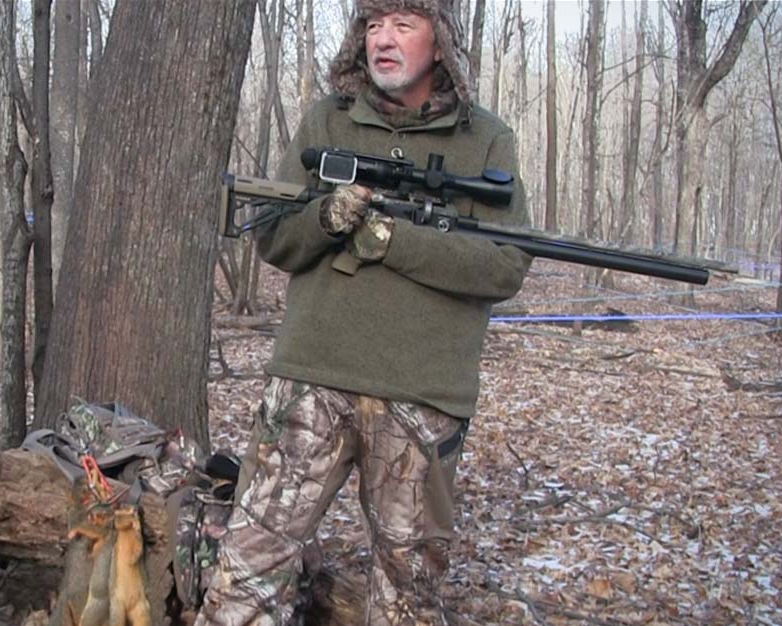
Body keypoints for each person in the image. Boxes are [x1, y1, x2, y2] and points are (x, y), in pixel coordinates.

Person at [195, 1, 532, 624]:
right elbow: (274, 237)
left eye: (403, 23)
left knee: (406, 598)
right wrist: (327, 219)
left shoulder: (485, 139)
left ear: (441, 43)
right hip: (310, 384)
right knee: (247, 571)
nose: (384, 39)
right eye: (373, 24)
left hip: (421, 398)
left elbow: (504, 266)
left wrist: (392, 241)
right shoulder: (328, 120)